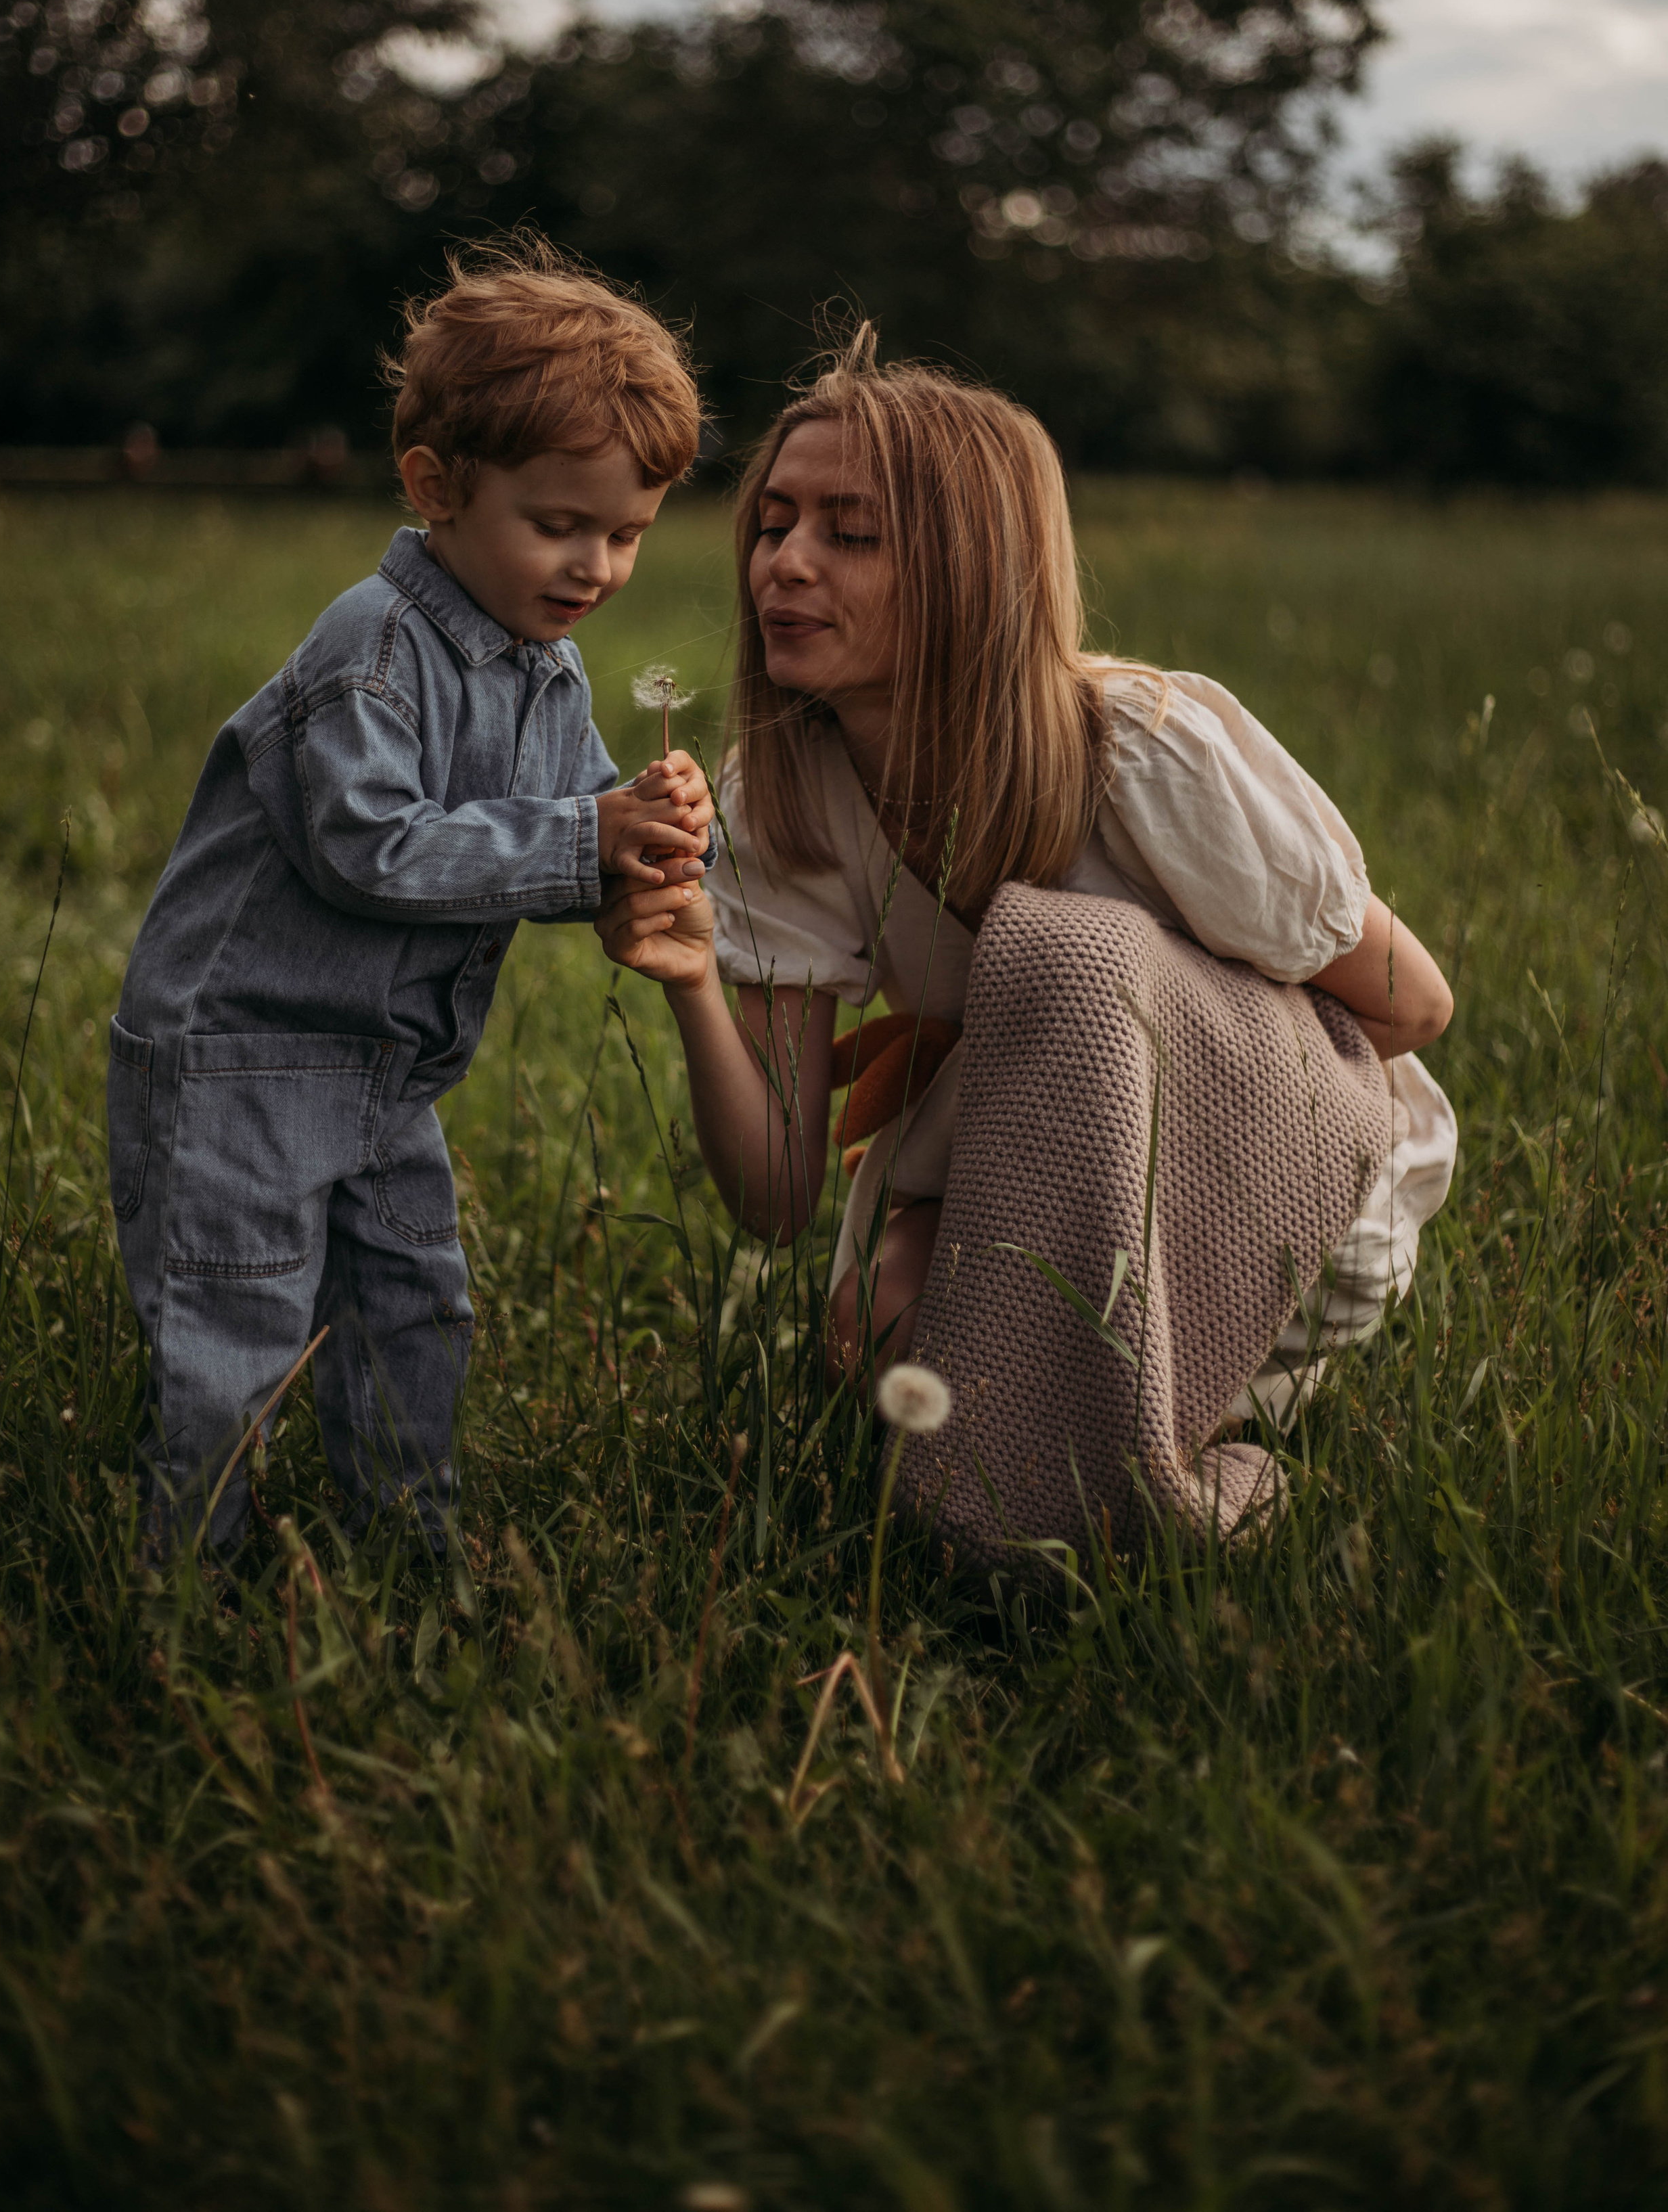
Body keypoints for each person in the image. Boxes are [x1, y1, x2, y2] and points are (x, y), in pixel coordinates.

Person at [595, 332, 1456, 1424]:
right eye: (773, 525)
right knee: (884, 1330)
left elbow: (1414, 1007)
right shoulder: (779, 796)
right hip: (1007, 1154)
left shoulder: (1144, 754)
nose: (787, 562)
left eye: (850, 532)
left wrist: (1105, 1059)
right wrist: (691, 983)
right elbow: (774, 1201)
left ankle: (1185, 1433)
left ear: (974, 568)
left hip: (1281, 1170)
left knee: (1068, 957)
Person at [108, 252, 714, 1556]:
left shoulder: (545, 668)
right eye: (560, 525)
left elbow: (570, 814)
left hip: (388, 1073)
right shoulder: (372, 646)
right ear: (437, 488)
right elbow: (369, 850)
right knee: (239, 1317)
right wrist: (579, 836)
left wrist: (645, 838)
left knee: (414, 1301)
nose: (598, 568)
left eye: (627, 534)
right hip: (244, 1059)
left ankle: (407, 1543)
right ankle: (189, 1578)